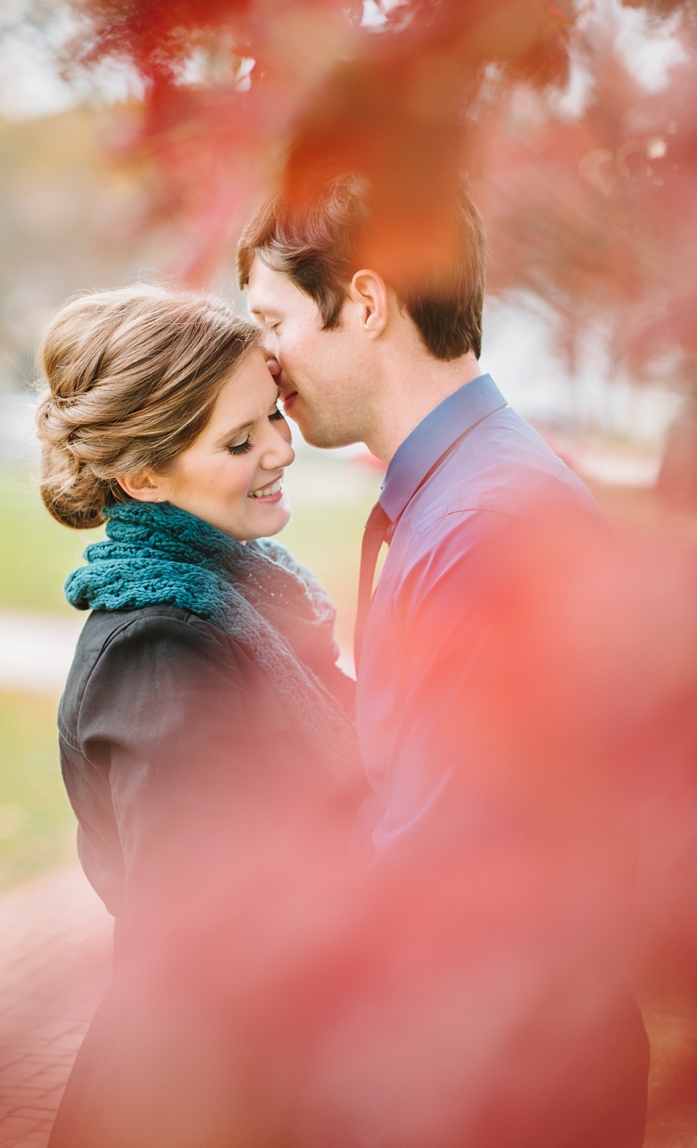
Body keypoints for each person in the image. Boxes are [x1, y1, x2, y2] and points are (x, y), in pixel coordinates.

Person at [238, 175, 650, 1147]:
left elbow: (439, 871)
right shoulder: (459, 490)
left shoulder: (485, 523)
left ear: (367, 302)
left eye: (271, 319)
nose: (260, 356)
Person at [35, 284, 358, 1148]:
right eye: (239, 440)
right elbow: (205, 946)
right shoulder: (165, 654)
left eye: (274, 420)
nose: (281, 452)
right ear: (142, 474)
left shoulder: (244, 599)